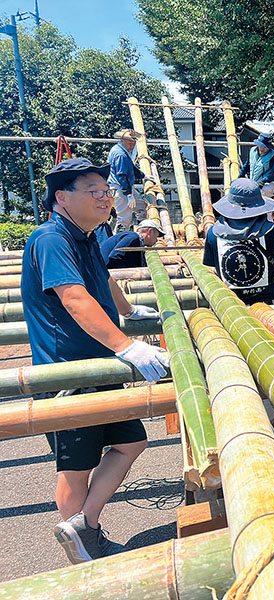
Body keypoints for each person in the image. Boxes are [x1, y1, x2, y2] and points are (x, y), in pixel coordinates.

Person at [21, 158, 169, 564]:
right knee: (75, 466)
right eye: (95, 191)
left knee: (131, 440)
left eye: (107, 190)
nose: (106, 197)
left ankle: (81, 527)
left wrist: (130, 311)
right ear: (62, 197)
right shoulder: (50, 238)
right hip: (68, 370)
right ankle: (81, 546)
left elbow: (102, 279)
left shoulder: (85, 236)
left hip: (97, 362)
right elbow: (72, 296)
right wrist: (128, 346)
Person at [203, 178, 274, 305]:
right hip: (267, 306)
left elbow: (210, 269)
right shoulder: (272, 231)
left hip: (229, 306)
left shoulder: (213, 234)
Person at [107, 129, 149, 232]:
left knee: (142, 207)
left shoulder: (122, 151)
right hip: (121, 188)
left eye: (133, 144)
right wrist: (129, 194)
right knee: (124, 218)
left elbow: (131, 167)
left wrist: (143, 176)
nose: (132, 146)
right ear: (122, 141)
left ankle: (142, 233)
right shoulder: (120, 155)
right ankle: (120, 242)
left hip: (126, 187)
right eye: (130, 143)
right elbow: (122, 176)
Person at [100, 219, 165, 270]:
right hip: (103, 271)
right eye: (156, 236)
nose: (156, 240)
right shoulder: (133, 237)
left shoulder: (135, 240)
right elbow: (114, 257)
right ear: (149, 231)